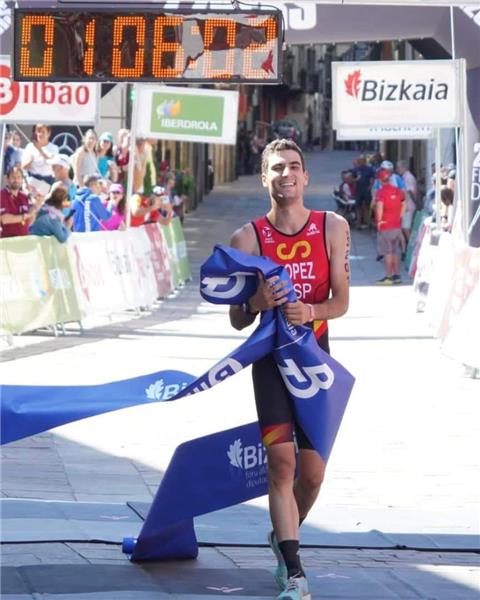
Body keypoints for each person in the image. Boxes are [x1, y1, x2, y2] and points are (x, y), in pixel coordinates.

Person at [228, 139, 350, 599]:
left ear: (305, 176)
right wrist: (255, 303)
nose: (287, 174)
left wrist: (312, 310)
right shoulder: (248, 238)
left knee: (312, 474)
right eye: (277, 168)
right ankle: (294, 570)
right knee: (282, 465)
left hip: (316, 363)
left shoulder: (331, 227)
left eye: (294, 166)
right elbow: (237, 318)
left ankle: (282, 536)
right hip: (270, 364)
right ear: (265, 178)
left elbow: (341, 301)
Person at [374, 168, 405, 285]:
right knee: (396, 250)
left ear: (380, 180)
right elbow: (404, 204)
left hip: (386, 225)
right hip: (397, 224)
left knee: (388, 251)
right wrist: (399, 216)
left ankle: (389, 276)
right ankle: (397, 275)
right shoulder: (397, 190)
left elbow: (380, 206)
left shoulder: (381, 192)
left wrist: (379, 221)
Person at [0, 166, 38, 237]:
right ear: (7, 179)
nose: (16, 180)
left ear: (22, 180)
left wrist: (35, 207)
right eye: (13, 177)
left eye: (19, 177)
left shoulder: (24, 196)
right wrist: (26, 216)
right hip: (7, 240)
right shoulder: (2, 195)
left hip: (23, 239)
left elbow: (29, 222)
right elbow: (5, 219)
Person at [21, 123, 59, 195]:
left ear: (49, 133)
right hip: (33, 180)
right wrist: (31, 161)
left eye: (43, 132)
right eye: (38, 131)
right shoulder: (30, 146)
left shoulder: (54, 148)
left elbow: (52, 162)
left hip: (48, 181)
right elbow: (23, 166)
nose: (40, 134)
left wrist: (40, 150)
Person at [396, 160, 418, 245]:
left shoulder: (408, 177)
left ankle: (411, 245)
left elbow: (410, 192)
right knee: (404, 227)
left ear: (403, 167)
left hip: (408, 206)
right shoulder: (404, 177)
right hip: (406, 206)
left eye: (398, 167)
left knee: (406, 228)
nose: (397, 169)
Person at [352, 155, 374, 229]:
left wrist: (370, 186)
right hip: (359, 190)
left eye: (361, 161)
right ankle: (358, 222)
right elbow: (352, 178)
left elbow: (373, 178)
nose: (359, 162)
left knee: (367, 206)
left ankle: (368, 222)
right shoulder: (356, 169)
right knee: (358, 206)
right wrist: (355, 181)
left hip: (366, 190)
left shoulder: (369, 169)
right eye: (358, 161)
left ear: (364, 161)